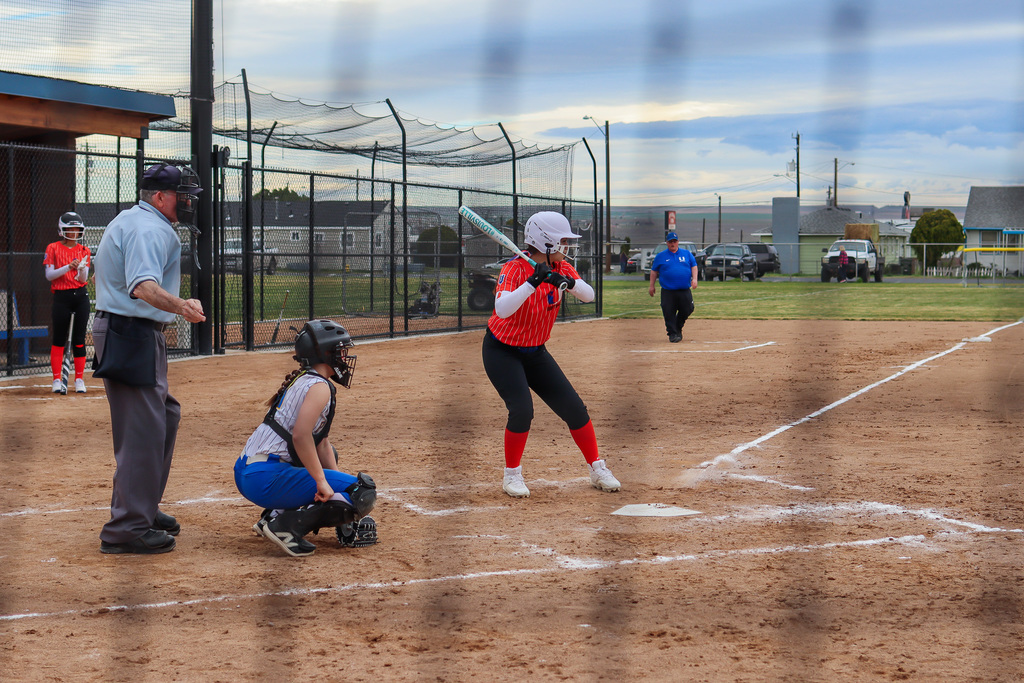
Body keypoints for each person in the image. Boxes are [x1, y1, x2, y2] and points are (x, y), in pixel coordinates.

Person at [92, 162, 206, 555]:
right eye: (183, 195)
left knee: (164, 416)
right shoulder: (147, 227)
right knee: (143, 431)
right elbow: (142, 287)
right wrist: (182, 306)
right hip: (129, 333)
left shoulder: (140, 221)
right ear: (159, 197)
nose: (189, 202)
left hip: (134, 333)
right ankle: (126, 529)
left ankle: (142, 507)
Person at [483, 211, 621, 498]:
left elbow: (589, 295)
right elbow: (502, 309)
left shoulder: (562, 268)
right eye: (563, 241)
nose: (567, 247)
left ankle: (597, 467)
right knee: (522, 410)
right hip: (503, 351)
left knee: (574, 408)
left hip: (535, 351)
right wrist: (533, 282)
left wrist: (565, 282)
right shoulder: (515, 268)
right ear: (545, 243)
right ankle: (512, 475)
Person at [234, 320, 377, 557]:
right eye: (340, 350)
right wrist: (328, 485)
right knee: (364, 492)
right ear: (324, 353)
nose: (344, 356)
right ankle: (285, 527)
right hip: (264, 479)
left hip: (251, 472)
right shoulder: (319, 387)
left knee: (330, 462)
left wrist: (338, 491)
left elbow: (321, 444)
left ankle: (274, 515)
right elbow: (301, 437)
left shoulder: (304, 378)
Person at [43, 212, 91, 393]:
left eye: (76, 229)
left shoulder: (84, 250)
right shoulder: (53, 248)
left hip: (80, 296)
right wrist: (68, 267)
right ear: (62, 230)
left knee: (79, 339)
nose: (73, 232)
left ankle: (79, 379)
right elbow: (49, 275)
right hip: (61, 297)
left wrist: (80, 269)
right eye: (69, 229)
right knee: (59, 339)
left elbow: (82, 279)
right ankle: (57, 379)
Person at [648, 232, 698, 343]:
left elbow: (694, 266)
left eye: (674, 241)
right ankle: (673, 333)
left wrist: (694, 279)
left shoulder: (686, 254)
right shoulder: (661, 256)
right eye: (670, 241)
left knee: (688, 308)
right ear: (667, 243)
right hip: (668, 290)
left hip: (684, 289)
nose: (672, 243)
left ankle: (678, 326)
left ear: (678, 242)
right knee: (668, 312)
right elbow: (654, 271)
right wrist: (652, 286)